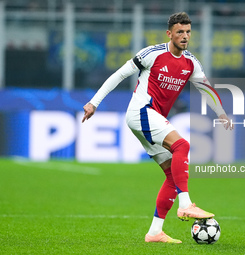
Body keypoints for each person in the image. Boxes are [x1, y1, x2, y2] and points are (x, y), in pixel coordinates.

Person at [82, 12, 233, 243]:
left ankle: (155, 232)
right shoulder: (152, 54)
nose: (185, 36)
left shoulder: (191, 62)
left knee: (173, 175)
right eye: (180, 32)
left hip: (151, 117)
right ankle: (185, 205)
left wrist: (221, 113)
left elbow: (206, 89)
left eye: (188, 32)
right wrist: (94, 102)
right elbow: (119, 74)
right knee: (182, 145)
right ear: (169, 33)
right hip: (141, 111)